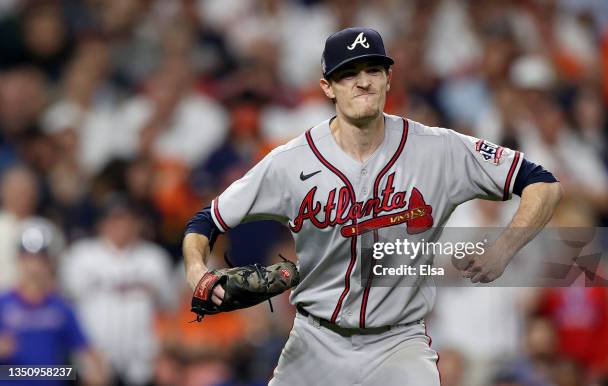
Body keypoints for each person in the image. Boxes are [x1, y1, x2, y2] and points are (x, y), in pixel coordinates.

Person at [182, 27, 562, 385]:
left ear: (388, 79)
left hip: (399, 341)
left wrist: (505, 249)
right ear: (327, 87)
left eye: (373, 69)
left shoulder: (438, 149)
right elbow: (205, 221)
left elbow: (541, 182)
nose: (363, 81)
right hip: (316, 339)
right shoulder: (291, 161)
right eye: (348, 74)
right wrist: (198, 270)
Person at [61, 196, 176, 386]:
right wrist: (81, 351)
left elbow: (169, 310)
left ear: (137, 223)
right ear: (102, 223)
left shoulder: (154, 258)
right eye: (113, 218)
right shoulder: (81, 256)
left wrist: (165, 354)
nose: (120, 225)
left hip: (143, 364)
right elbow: (65, 311)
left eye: (126, 218)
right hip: (94, 364)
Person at [0, 221, 108, 386]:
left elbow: (87, 352)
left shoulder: (61, 308)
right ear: (19, 261)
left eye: (40, 260)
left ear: (49, 263)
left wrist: (89, 371)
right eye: (28, 259)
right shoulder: (3, 304)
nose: (34, 267)